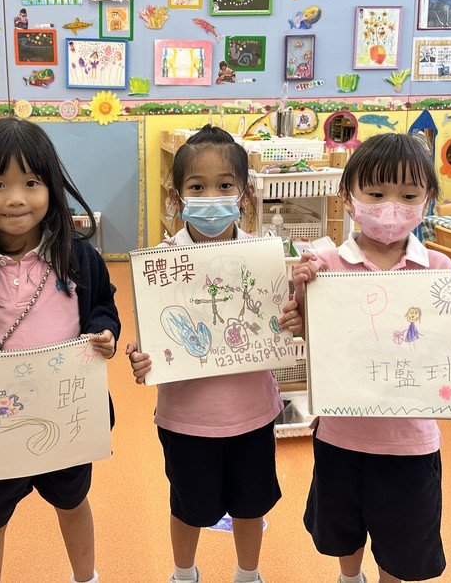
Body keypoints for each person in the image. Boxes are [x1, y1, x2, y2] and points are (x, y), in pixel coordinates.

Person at [280, 133, 451, 583]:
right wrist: (300, 298)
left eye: (408, 196)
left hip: (409, 442)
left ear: (427, 199)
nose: (391, 207)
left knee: (404, 544)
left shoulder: (439, 271)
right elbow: (310, 335)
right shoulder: (325, 265)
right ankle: (349, 577)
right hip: (340, 436)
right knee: (342, 532)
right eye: (376, 194)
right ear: (348, 196)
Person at [0, 118, 120, 583]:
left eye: (30, 183)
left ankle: (86, 576)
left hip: (66, 413)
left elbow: (103, 306)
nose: (15, 198)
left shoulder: (79, 257)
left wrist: (104, 332)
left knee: (73, 502)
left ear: (51, 187)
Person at [127, 125, 286, 583]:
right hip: (186, 419)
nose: (211, 197)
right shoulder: (160, 263)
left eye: (225, 185)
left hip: (253, 413)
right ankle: (184, 573)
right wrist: (142, 357)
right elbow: (153, 335)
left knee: (251, 505)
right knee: (187, 505)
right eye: (197, 187)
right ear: (177, 196)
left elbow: (278, 320)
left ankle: (248, 574)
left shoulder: (262, 257)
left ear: (244, 193)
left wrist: (291, 315)